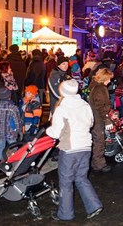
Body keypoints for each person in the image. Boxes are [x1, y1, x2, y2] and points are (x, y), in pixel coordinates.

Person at [47, 79, 103, 221]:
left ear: (62, 92)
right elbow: (90, 123)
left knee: (66, 182)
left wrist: (48, 130)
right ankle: (94, 205)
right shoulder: (85, 104)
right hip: (85, 147)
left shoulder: (62, 108)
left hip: (70, 149)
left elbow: (56, 132)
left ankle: (65, 214)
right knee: (81, 177)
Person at [88, 68, 114, 173]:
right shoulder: (100, 89)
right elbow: (101, 106)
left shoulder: (94, 86)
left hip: (95, 117)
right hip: (98, 119)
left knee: (97, 140)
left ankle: (95, 162)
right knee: (99, 141)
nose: (110, 81)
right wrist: (107, 119)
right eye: (108, 79)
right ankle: (99, 164)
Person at [0, 88, 21, 162]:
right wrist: (18, 131)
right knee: (13, 147)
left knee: (0, 147)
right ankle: (12, 160)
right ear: (9, 97)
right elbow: (17, 121)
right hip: (11, 133)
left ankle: (0, 159)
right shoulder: (13, 108)